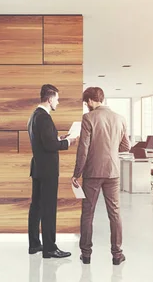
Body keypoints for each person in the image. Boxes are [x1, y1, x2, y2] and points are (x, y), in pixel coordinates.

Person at [71, 87, 130, 266]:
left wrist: (77, 173)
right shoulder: (120, 118)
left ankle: (86, 254)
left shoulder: (88, 118)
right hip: (112, 172)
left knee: (88, 213)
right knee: (115, 213)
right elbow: (126, 146)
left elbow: (83, 149)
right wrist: (110, 150)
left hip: (92, 173)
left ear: (90, 101)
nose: (86, 106)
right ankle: (117, 254)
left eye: (85, 103)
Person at [27, 84, 76, 259]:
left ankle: (34, 244)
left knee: (37, 206)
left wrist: (58, 138)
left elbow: (45, 141)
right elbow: (49, 145)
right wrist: (68, 142)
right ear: (49, 99)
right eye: (57, 99)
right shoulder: (45, 117)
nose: (58, 102)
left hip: (38, 168)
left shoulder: (34, 116)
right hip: (48, 170)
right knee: (48, 208)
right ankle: (49, 248)